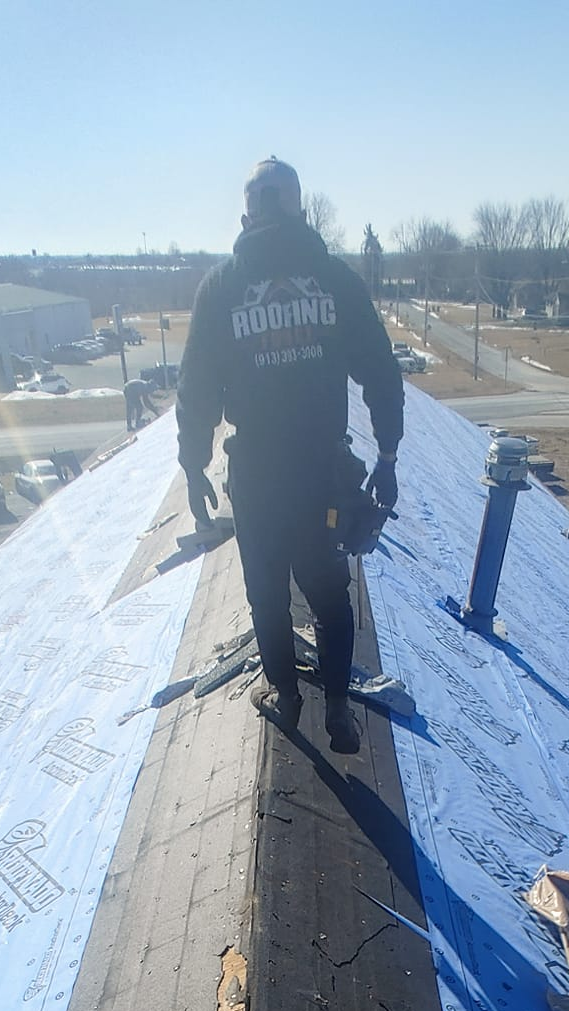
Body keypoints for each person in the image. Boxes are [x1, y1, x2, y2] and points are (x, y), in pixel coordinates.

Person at [176, 158, 403, 755]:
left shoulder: (222, 289)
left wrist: (193, 463)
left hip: (257, 476)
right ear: (299, 210)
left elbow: (196, 387)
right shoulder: (335, 281)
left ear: (246, 214)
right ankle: (337, 707)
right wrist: (387, 454)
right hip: (322, 475)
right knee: (330, 592)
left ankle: (286, 695)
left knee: (266, 593)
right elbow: (381, 370)